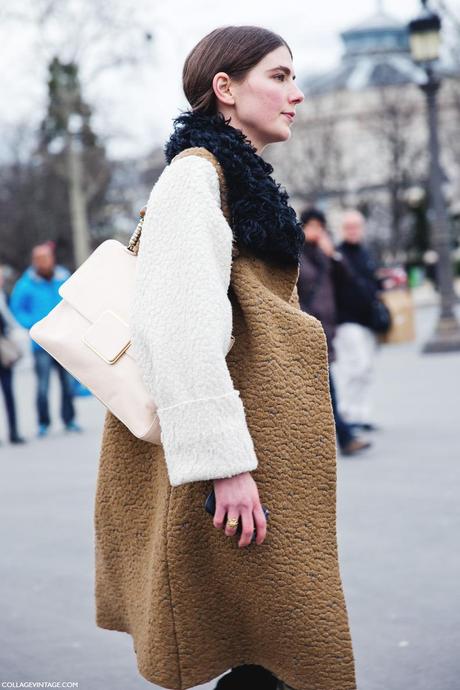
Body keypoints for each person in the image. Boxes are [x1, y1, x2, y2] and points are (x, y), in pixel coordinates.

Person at [94, 26, 356, 690]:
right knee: (272, 650)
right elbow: (175, 330)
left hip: (252, 461)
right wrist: (226, 468)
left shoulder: (233, 181)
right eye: (280, 76)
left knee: (264, 652)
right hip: (236, 471)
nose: (296, 95)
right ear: (226, 89)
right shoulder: (195, 177)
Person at [298, 208, 370, 456]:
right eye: (311, 226)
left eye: (320, 226)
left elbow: (346, 282)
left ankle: (332, 439)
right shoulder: (295, 255)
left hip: (328, 329)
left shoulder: (323, 254)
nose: (316, 231)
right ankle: (345, 437)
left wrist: (333, 255)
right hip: (309, 331)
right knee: (326, 388)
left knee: (322, 389)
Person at [9, 242, 82, 438]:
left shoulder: (63, 277)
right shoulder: (25, 284)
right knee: (43, 386)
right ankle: (43, 422)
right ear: (34, 262)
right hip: (41, 342)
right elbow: (17, 310)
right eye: (40, 259)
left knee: (67, 383)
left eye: (47, 258)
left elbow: (75, 300)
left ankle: (69, 419)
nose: (44, 262)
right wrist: (33, 324)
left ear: (52, 259)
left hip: (63, 340)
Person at [333, 210, 382, 431]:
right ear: (343, 230)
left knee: (367, 368)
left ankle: (363, 414)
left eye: (356, 226)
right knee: (355, 366)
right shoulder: (337, 254)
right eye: (348, 227)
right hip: (346, 319)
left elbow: (373, 283)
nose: (353, 231)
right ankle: (348, 413)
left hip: (367, 320)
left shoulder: (366, 253)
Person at [0, 267, 26, 445]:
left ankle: (14, 431)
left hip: (3, 352)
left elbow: (11, 320)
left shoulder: (4, 297)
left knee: (9, 391)